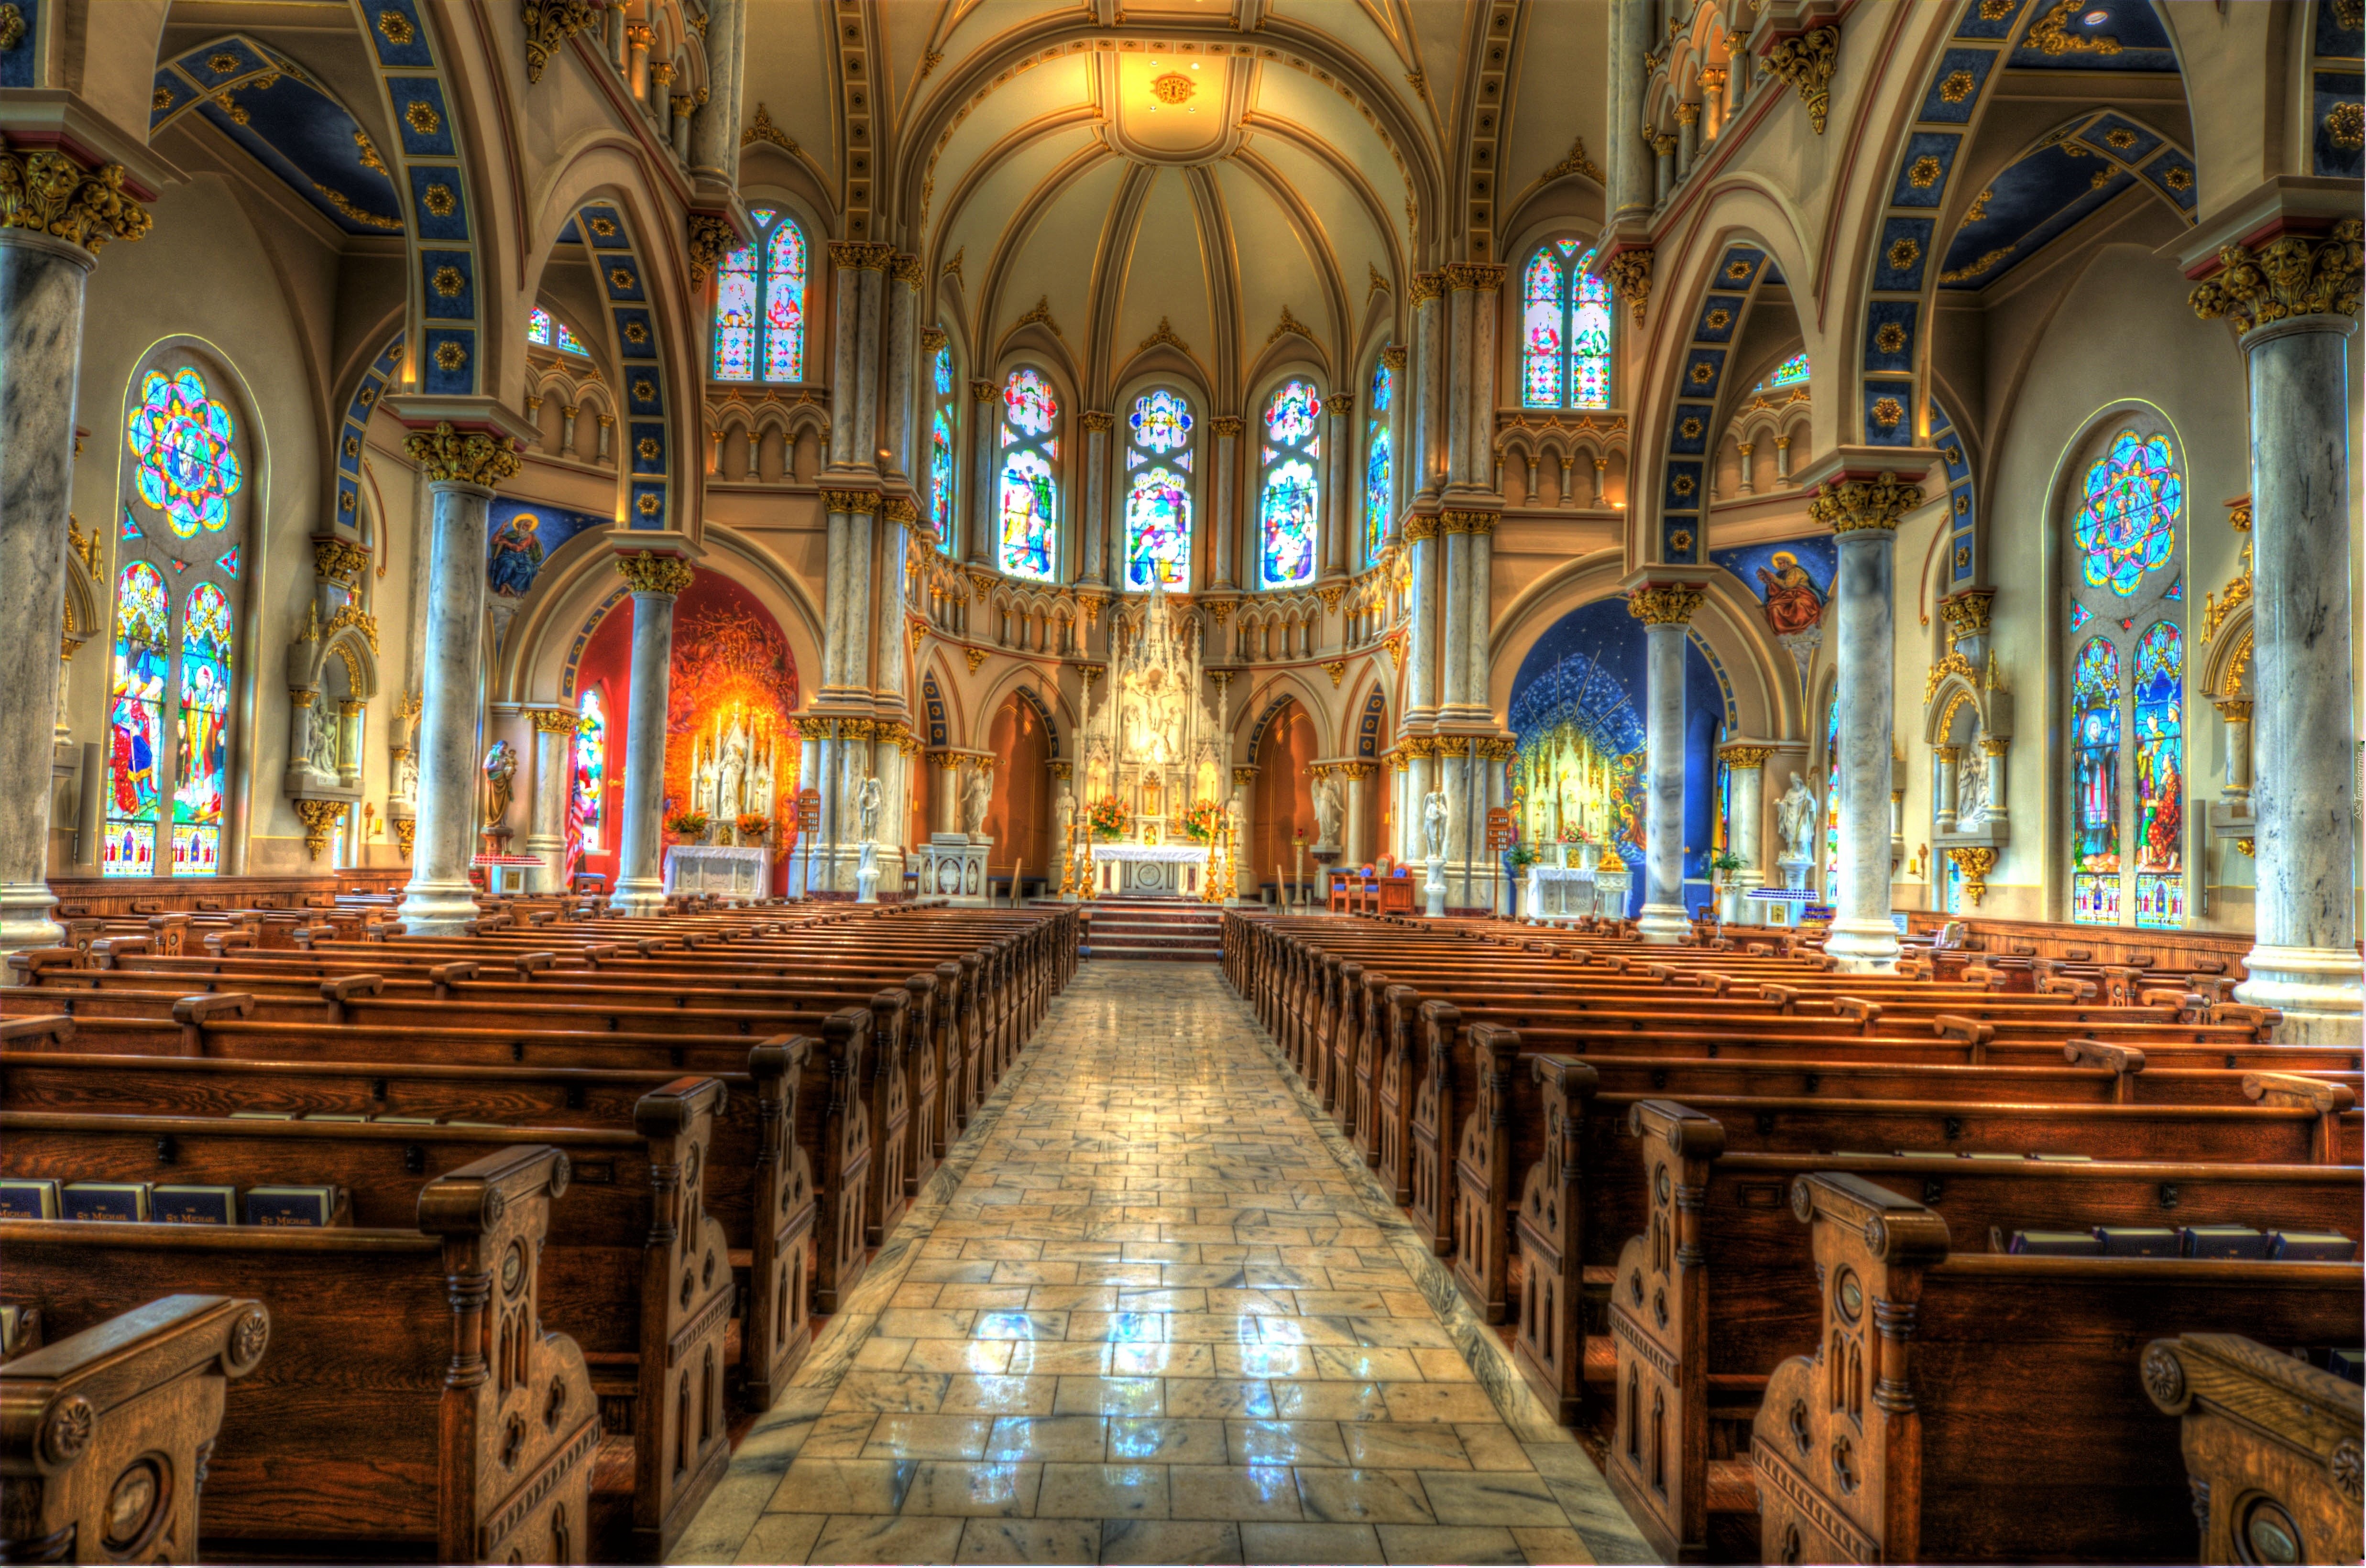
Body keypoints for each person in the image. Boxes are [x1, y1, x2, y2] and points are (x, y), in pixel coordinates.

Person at [1755, 551, 1825, 638]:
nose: (1779, 566)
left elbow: (1788, 585)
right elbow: (1778, 589)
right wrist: (1769, 581)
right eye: (1778, 564)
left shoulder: (1796, 571)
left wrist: (1774, 579)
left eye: (1781, 563)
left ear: (1787, 563)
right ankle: (1784, 633)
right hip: (1787, 596)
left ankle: (1803, 629)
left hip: (1803, 594)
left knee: (1799, 603)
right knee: (1775, 607)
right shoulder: (1782, 574)